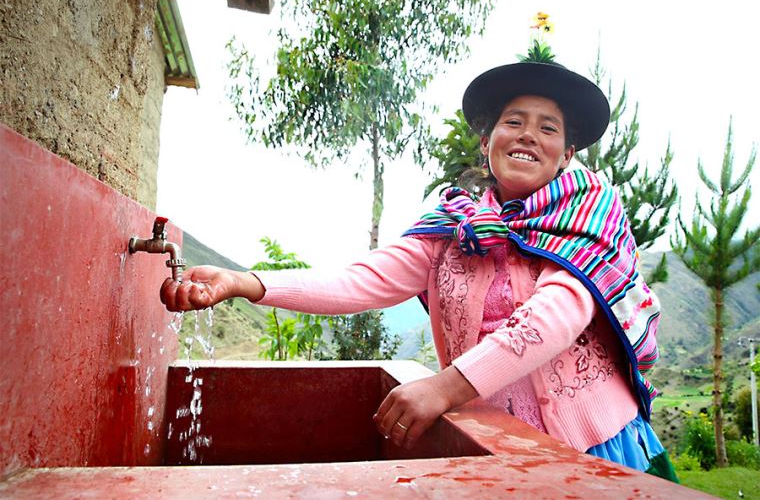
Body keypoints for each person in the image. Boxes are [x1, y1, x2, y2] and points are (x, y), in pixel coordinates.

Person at [160, 56, 677, 481]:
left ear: (566, 154)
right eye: (513, 121)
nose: (527, 136)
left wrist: (443, 388)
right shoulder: (455, 227)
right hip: (494, 445)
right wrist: (246, 283)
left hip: (595, 447)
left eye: (547, 128)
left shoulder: (591, 215)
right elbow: (362, 279)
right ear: (487, 141)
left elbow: (554, 319)